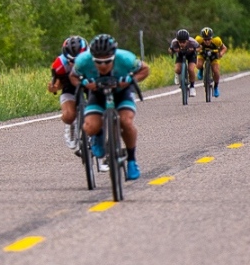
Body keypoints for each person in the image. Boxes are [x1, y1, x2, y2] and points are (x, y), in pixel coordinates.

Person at [70, 34, 151, 179]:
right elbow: (73, 76)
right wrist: (83, 84)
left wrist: (131, 80)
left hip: (122, 92)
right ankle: (98, 135)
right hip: (97, 93)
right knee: (89, 126)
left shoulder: (126, 58)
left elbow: (145, 69)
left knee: (126, 121)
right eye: (98, 62)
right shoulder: (83, 60)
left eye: (107, 61)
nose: (103, 66)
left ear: (114, 56)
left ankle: (132, 160)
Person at [49, 35, 87, 146]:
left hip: (90, 82)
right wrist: (53, 88)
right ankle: (71, 125)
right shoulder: (59, 64)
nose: (75, 64)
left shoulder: (93, 59)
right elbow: (56, 85)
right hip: (69, 85)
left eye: (79, 60)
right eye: (71, 61)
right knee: (69, 116)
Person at [168, 27, 200, 99]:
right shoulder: (174, 42)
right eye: (180, 42)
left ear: (187, 40)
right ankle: (178, 76)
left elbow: (200, 48)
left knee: (191, 69)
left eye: (184, 42)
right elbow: (169, 49)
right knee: (177, 69)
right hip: (180, 55)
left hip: (191, 55)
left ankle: (192, 87)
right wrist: (172, 51)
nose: (182, 44)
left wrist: (194, 49)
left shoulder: (193, 42)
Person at [195, 26, 226, 97]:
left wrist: (220, 54)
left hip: (214, 56)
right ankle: (201, 70)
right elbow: (194, 48)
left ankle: (216, 87)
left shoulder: (217, 41)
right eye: (205, 40)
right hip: (203, 55)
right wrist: (197, 49)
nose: (207, 41)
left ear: (212, 38)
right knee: (198, 65)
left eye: (209, 39)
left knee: (216, 71)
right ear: (202, 38)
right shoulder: (198, 40)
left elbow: (224, 48)